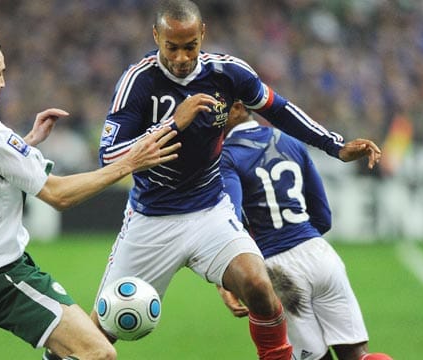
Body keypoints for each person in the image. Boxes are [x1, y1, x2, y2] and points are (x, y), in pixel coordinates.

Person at [90, 1, 381, 359]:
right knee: (96, 337)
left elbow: (279, 109)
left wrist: (335, 146)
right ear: (156, 37)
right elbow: (109, 156)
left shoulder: (228, 74)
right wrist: (172, 124)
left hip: (209, 211)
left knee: (259, 286)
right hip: (151, 219)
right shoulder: (137, 82)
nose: (181, 57)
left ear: (202, 35)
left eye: (190, 46)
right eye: (172, 47)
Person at [0, 34, 197, 360]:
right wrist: (130, 162)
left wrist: (27, 143)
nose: (3, 83)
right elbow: (59, 195)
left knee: (67, 351)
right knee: (99, 353)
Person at [217, 101, 393, 360]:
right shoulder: (290, 141)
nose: (213, 115)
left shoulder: (227, 156)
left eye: (220, 106)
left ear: (238, 107)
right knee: (358, 355)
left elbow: (230, 221)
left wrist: (228, 281)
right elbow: (323, 215)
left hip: (278, 270)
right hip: (320, 254)